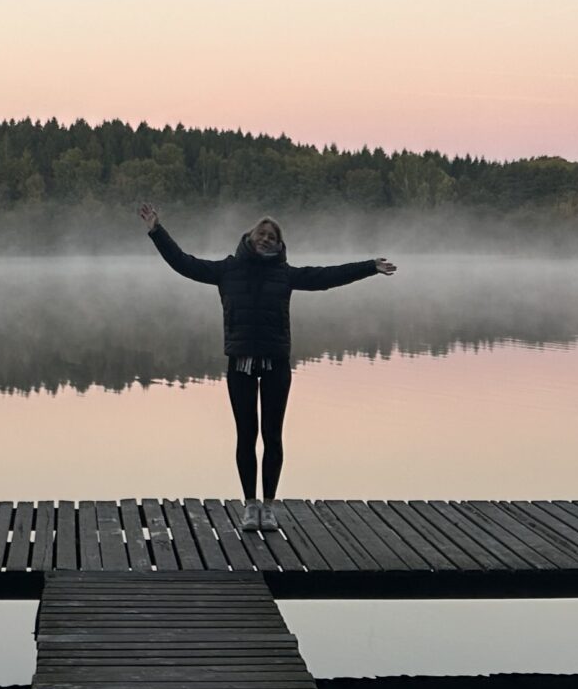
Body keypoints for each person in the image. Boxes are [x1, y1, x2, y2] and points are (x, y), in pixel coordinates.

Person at [137, 203, 396, 533]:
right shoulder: (227, 271)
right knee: (246, 436)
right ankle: (250, 506)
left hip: (276, 365)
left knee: (272, 437)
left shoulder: (284, 274)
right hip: (240, 364)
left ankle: (269, 507)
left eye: (272, 236)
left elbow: (327, 277)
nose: (266, 239)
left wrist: (370, 266)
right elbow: (184, 264)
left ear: (279, 243)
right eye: (261, 234)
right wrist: (156, 231)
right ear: (249, 237)